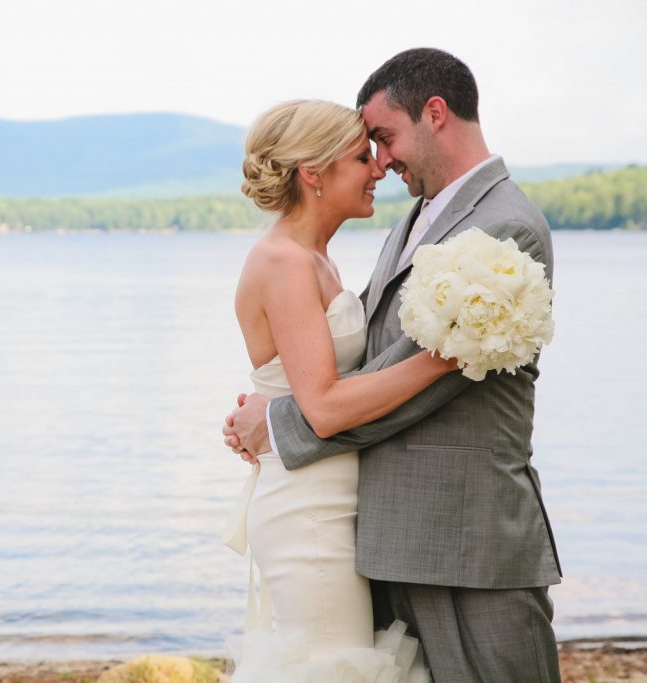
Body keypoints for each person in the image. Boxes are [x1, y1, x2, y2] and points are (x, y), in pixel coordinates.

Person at [224, 48, 562, 682]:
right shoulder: (410, 221)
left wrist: (280, 422)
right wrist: (284, 409)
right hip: (381, 529)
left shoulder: (504, 228)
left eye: (383, 137)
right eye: (366, 149)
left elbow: (412, 383)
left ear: (434, 114)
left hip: (467, 532)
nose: (380, 161)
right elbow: (380, 368)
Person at [224, 98, 456, 681]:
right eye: (360, 157)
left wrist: (269, 413)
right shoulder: (283, 262)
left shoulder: (315, 258)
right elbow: (323, 407)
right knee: (335, 667)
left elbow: (315, 386)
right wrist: (441, 361)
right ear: (313, 172)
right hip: (308, 511)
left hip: (334, 498)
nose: (378, 167)